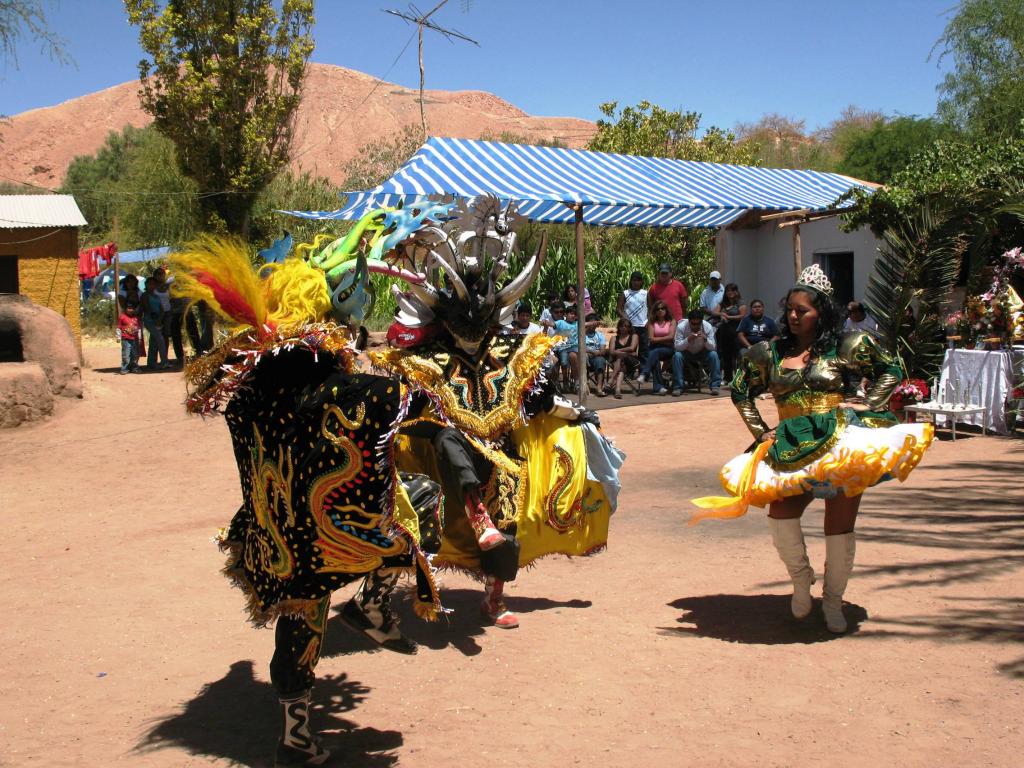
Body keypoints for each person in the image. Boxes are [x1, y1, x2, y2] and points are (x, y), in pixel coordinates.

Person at [171, 225, 443, 767]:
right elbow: (392, 398)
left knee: (303, 616)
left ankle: (295, 736)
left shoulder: (251, 386)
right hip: (324, 534)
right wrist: (419, 389)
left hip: (276, 535)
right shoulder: (324, 380)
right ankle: (371, 603)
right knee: (418, 510)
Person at [691, 264, 934, 634]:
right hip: (789, 444)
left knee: (838, 523)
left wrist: (870, 404)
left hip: (838, 442)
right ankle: (802, 583)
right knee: (781, 515)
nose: (792, 316)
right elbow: (741, 391)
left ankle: (833, 600)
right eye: (789, 309)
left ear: (821, 312)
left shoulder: (845, 346)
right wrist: (761, 433)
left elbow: (891, 368)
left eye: (801, 310)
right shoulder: (767, 353)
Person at [672, 309, 722, 395]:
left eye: (698, 324)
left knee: (714, 355)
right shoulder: (681, 327)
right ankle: (678, 387)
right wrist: (688, 339)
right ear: (689, 321)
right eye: (693, 324)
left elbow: (713, 347)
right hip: (686, 352)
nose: (695, 326)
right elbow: (677, 346)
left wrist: (705, 339)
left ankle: (715, 386)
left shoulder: (707, 327)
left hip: (702, 352)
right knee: (677, 356)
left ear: (702, 321)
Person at [636, 300, 676, 394]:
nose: (660, 310)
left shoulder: (671, 321)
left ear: (666, 310)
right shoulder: (652, 322)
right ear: (655, 311)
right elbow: (651, 338)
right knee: (655, 360)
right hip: (655, 347)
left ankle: (644, 374)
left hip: (668, 349)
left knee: (654, 353)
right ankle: (658, 388)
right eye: (658, 309)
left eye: (662, 308)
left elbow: (671, 337)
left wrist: (657, 339)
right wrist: (664, 339)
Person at [715, 282, 747, 383]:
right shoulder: (723, 303)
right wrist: (721, 314)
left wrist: (729, 317)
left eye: (733, 290)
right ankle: (727, 378)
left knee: (738, 355)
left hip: (736, 332)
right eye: (728, 290)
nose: (730, 292)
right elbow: (714, 312)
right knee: (726, 355)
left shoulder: (740, 303)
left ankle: (739, 378)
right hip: (724, 332)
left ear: (737, 292)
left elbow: (742, 316)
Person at [617, 270, 649, 362]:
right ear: (631, 281)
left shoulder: (645, 293)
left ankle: (643, 372)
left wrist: (649, 321)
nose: (636, 282)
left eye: (638, 280)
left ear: (642, 282)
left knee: (644, 350)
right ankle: (631, 371)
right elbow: (619, 309)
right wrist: (625, 319)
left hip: (643, 325)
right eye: (634, 280)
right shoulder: (626, 293)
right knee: (631, 350)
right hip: (630, 326)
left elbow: (651, 308)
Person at [605, 317, 640, 398]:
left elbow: (632, 348)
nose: (624, 328)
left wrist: (618, 350)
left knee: (620, 357)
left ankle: (611, 379)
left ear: (629, 328)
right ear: (619, 327)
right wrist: (627, 352)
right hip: (618, 362)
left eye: (626, 326)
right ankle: (617, 390)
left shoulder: (634, 336)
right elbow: (611, 352)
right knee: (621, 367)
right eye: (622, 326)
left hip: (631, 361)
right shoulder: (614, 338)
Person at [141, 277, 169, 370]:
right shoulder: (145, 295)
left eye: (154, 284)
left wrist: (160, 319)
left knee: (154, 341)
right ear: (146, 285)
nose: (152, 286)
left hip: (158, 320)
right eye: (150, 284)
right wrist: (156, 319)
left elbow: (161, 308)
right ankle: (164, 361)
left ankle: (151, 363)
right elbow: (146, 308)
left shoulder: (156, 296)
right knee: (160, 340)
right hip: (150, 320)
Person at [552, 304, 580, 392]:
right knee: (564, 363)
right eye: (571, 314)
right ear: (565, 315)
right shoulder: (561, 322)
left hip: (574, 347)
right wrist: (546, 323)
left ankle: (577, 382)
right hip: (563, 347)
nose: (573, 316)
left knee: (574, 358)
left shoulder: (577, 324)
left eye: (575, 314)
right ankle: (565, 381)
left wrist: (595, 322)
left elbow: (586, 324)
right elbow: (552, 324)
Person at [583, 314, 608, 394]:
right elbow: (580, 348)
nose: (593, 325)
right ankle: (585, 383)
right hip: (585, 356)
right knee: (584, 357)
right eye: (591, 323)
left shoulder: (600, 335)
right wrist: (593, 352)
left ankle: (599, 387)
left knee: (600, 360)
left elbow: (602, 351)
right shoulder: (581, 335)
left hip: (596, 358)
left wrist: (593, 352)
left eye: (594, 324)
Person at [117, 303, 142, 374]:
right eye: (129, 308)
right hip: (126, 339)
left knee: (135, 354)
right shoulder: (122, 317)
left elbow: (139, 328)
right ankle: (124, 368)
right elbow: (118, 328)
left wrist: (140, 338)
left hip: (135, 339)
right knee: (126, 354)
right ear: (125, 309)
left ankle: (134, 368)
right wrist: (118, 337)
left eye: (132, 308)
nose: (131, 310)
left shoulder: (136, 318)